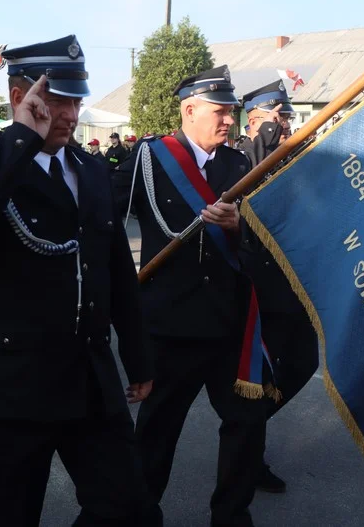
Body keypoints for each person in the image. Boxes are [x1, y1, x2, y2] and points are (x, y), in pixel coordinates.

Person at [0, 35, 157, 527]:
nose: (71, 115)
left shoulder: (91, 169)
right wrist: (20, 140)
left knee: (129, 508)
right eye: (58, 101)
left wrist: (138, 356)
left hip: (90, 380)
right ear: (21, 98)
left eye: (76, 100)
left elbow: (115, 267)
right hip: (16, 385)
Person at [113, 64, 266, 527]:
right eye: (220, 112)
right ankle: (141, 514)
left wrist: (239, 228)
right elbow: (102, 221)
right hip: (170, 326)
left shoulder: (239, 165)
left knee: (246, 426)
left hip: (228, 324)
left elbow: (265, 238)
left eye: (232, 112)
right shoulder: (146, 160)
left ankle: (232, 516)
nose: (229, 121)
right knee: (156, 433)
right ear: (190, 109)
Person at [237, 80, 319, 494]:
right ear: (255, 120)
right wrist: (265, 139)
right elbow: (249, 181)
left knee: (303, 363)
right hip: (257, 295)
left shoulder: (291, 158)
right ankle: (248, 456)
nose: (287, 124)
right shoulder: (241, 156)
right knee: (258, 381)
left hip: (292, 289)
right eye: (279, 117)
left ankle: (243, 438)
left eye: (287, 117)